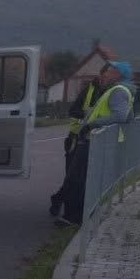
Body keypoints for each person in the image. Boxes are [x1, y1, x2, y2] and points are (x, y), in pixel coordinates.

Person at [57, 60, 136, 227]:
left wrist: (92, 125)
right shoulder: (122, 90)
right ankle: (80, 215)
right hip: (99, 140)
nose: (105, 74)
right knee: (82, 178)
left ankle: (73, 218)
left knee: (76, 179)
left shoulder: (118, 91)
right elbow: (129, 116)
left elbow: (121, 116)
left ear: (117, 74)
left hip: (94, 140)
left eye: (109, 71)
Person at [49, 74, 102, 217]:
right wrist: (88, 117)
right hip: (75, 138)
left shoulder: (108, 90)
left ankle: (61, 200)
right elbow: (73, 110)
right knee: (73, 176)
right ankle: (67, 209)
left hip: (91, 138)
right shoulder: (90, 90)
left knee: (79, 177)